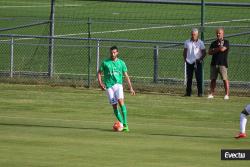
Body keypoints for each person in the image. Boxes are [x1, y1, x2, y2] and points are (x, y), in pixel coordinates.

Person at [97, 46, 135, 132]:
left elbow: (126, 76)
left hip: (118, 85)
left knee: (121, 103)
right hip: (109, 87)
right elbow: (99, 73)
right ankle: (121, 124)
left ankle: (125, 124)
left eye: (114, 52)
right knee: (114, 106)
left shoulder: (121, 63)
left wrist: (131, 88)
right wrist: (100, 83)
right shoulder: (105, 63)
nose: (113, 54)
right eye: (111, 52)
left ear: (117, 53)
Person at [208, 28, 230, 100]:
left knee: (225, 79)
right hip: (214, 63)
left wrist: (215, 49)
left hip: (222, 64)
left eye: (219, 33)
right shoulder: (213, 43)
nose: (218, 34)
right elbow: (209, 52)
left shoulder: (226, 42)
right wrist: (218, 48)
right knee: (213, 79)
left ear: (223, 34)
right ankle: (211, 93)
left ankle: (226, 94)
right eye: (217, 33)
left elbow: (223, 49)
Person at [183, 28, 206, 97]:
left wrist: (200, 59)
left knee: (199, 78)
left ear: (197, 35)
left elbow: (204, 52)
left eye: (195, 35)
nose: (193, 36)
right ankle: (188, 93)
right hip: (189, 62)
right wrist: (185, 59)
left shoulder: (200, 43)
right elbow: (184, 52)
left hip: (197, 62)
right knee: (189, 78)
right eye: (192, 34)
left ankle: (200, 93)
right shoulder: (187, 42)